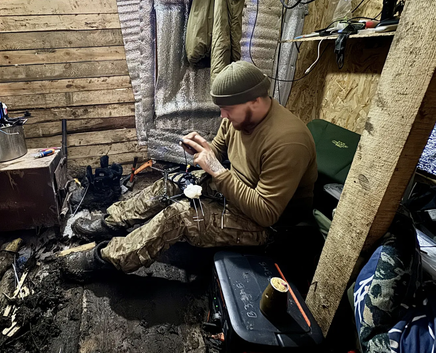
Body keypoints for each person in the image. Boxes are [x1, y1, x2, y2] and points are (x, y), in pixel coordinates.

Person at [62, 61, 317, 280]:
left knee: (180, 216)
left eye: (228, 109)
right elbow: (217, 150)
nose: (223, 116)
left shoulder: (287, 141)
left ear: (256, 100)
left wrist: (216, 169)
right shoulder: (238, 119)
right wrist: (202, 151)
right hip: (237, 192)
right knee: (171, 183)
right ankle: (111, 223)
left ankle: (106, 261)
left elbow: (266, 213)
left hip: (270, 227)